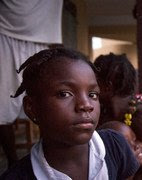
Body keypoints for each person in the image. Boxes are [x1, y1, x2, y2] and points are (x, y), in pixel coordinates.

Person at [0, 48, 139, 179]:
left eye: (93, 94)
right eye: (64, 94)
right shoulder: (18, 176)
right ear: (31, 107)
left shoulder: (115, 146)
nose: (86, 105)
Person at [0, 0, 63, 168]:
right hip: (3, 34)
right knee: (1, 107)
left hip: (41, 38)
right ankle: (13, 163)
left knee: (48, 104)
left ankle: (47, 159)